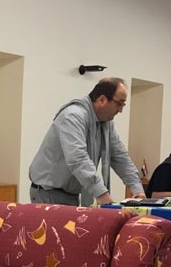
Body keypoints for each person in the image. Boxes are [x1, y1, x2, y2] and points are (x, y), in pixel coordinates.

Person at [29, 77, 145, 206]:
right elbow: (78, 158)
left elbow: (119, 156)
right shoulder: (73, 116)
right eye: (119, 103)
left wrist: (137, 189)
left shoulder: (106, 123)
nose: (120, 110)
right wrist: (101, 193)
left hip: (71, 194)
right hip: (48, 192)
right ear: (102, 99)